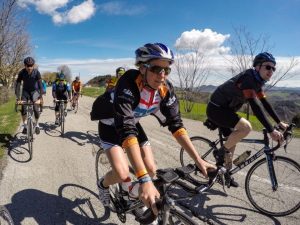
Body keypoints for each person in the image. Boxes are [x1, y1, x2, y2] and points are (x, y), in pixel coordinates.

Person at [96, 43, 216, 214]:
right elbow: (126, 130)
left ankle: (131, 193)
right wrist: (144, 180)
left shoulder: (164, 89)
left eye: (166, 70)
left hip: (131, 123)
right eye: (156, 69)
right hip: (110, 125)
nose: (162, 75)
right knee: (123, 174)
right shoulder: (128, 82)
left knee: (152, 169)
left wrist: (198, 160)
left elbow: (176, 125)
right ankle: (102, 184)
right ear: (143, 68)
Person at [206, 52, 288, 187]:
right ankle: (219, 152)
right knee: (246, 127)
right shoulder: (249, 78)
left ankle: (223, 173)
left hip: (226, 111)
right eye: (268, 67)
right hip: (216, 109)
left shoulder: (257, 83)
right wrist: (271, 130)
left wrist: (279, 122)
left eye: (273, 68)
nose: (271, 71)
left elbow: (264, 104)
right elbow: (255, 106)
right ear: (257, 66)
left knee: (232, 143)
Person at [15, 56, 43, 135]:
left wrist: (40, 98)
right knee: (23, 108)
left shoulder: (37, 72)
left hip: (34, 92)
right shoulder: (22, 72)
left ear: (33, 65)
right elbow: (18, 84)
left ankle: (37, 124)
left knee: (36, 109)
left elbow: (40, 85)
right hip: (25, 92)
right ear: (25, 65)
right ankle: (25, 126)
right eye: (28, 66)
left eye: (31, 66)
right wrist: (17, 98)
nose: (30, 67)